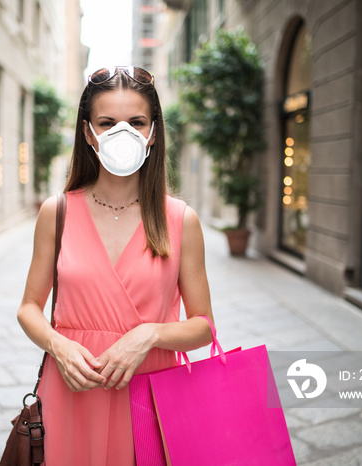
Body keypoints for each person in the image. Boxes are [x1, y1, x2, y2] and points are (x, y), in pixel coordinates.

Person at [17, 66, 215, 465]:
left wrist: (150, 335)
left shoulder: (180, 219)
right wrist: (59, 345)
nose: (121, 133)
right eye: (107, 122)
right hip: (72, 390)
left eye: (136, 122)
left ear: (153, 132)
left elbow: (204, 327)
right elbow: (28, 308)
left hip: (151, 397)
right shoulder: (56, 213)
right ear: (88, 132)